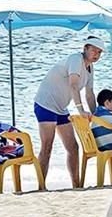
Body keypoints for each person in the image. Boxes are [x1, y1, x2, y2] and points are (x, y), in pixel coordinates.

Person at [34, 36, 106, 188]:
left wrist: (98, 116)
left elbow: (89, 94)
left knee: (73, 147)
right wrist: (80, 110)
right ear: (85, 49)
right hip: (45, 104)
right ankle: (41, 187)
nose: (96, 54)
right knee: (47, 147)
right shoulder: (75, 59)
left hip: (61, 108)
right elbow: (73, 85)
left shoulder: (90, 68)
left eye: (99, 52)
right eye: (94, 50)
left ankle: (76, 186)